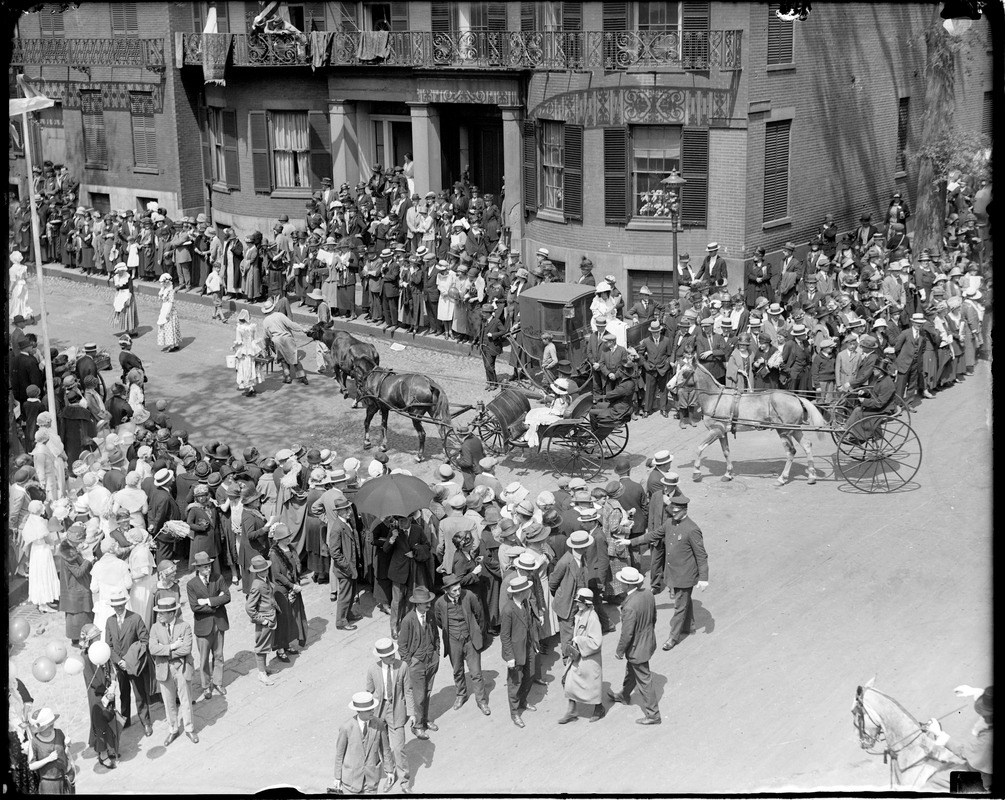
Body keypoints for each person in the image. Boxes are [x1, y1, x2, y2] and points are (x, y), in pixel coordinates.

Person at [607, 566, 660, 725]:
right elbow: (654, 618)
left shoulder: (629, 606)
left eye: (622, 582)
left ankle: (653, 715)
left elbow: (627, 633)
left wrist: (619, 651)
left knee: (644, 680)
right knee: (632, 670)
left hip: (637, 647)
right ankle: (624, 695)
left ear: (627, 585)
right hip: (648, 641)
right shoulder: (648, 594)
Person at [433, 573, 490, 716]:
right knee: (457, 671)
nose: (458, 592)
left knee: (476, 672)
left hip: (470, 639)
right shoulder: (440, 603)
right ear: (446, 591)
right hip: (453, 641)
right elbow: (439, 621)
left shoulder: (469, 595)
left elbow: (480, 615)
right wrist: (452, 634)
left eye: (459, 588)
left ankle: (481, 700)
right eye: (454, 590)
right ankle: (461, 695)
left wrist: (477, 634)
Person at [148, 596, 198, 746]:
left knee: (186, 700)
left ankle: (189, 728)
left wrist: (165, 652)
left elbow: (186, 649)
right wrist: (172, 646)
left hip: (182, 667)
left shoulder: (185, 626)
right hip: (164, 669)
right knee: (168, 702)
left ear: (171, 613)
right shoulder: (155, 627)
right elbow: (152, 649)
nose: (159, 616)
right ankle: (173, 729)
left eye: (162, 613)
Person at [104, 587, 154, 737]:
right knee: (123, 694)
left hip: (134, 665)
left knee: (140, 694)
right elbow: (108, 645)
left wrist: (130, 660)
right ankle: (125, 720)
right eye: (116, 605)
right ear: (112, 606)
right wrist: (119, 662)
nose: (119, 608)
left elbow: (145, 641)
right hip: (119, 666)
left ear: (125, 604)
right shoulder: (110, 621)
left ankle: (146, 722)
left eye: (121, 604)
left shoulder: (135, 618)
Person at [923, 685, 993, 791]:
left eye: (986, 714)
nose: (983, 716)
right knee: (947, 765)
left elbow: (963, 751)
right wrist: (974, 691)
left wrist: (939, 733)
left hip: (983, 778)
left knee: (935, 780)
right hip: (984, 768)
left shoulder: (988, 738)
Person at [186, 551, 230, 702]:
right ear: (197, 568)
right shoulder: (191, 584)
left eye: (209, 566)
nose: (208, 569)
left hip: (219, 622)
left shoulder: (218, 578)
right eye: (204, 567)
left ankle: (217, 682)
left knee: (219, 655)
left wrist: (208, 601)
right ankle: (206, 685)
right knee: (204, 658)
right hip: (203, 626)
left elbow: (227, 597)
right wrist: (217, 603)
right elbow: (194, 607)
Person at [397, 585, 439, 740]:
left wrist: (437, 653)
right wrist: (409, 663)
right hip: (417, 664)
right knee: (419, 696)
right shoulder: (408, 620)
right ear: (417, 604)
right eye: (425, 602)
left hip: (431, 660)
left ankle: (424, 720)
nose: (429, 604)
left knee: (427, 693)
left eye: (429, 601)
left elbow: (435, 635)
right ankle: (417, 726)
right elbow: (402, 646)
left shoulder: (430, 615)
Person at [332, 691, 395, 795]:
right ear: (359, 711)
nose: (372, 712)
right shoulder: (346, 728)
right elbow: (339, 754)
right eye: (368, 710)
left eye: (372, 708)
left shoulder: (379, 724)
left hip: (371, 782)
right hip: (350, 782)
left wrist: (389, 771)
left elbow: (385, 750)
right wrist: (337, 777)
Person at [78, 623, 121, 770]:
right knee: (100, 722)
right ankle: (102, 754)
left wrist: (113, 685)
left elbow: (110, 666)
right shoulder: (84, 657)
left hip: (109, 690)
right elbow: (92, 680)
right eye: (95, 637)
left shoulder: (102, 649)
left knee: (110, 718)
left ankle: (111, 748)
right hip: (98, 695)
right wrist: (106, 692)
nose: (98, 639)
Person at [559, 587, 606, 724]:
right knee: (568, 681)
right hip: (579, 657)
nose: (577, 604)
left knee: (592, 687)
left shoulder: (592, 618)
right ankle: (571, 710)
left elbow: (596, 642)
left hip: (589, 660)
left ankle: (599, 708)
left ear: (587, 603)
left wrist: (579, 640)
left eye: (580, 602)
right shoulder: (581, 614)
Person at [501, 574, 541, 728]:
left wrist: (534, 642)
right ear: (520, 592)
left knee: (530, 675)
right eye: (526, 590)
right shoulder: (508, 610)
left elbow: (529, 625)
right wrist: (509, 657)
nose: (528, 591)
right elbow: (504, 636)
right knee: (514, 683)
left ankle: (523, 701)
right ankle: (515, 712)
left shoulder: (524, 604)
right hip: (515, 652)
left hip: (528, 646)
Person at [55, 524, 95, 645]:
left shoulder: (68, 550)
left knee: (75, 615)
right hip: (76, 587)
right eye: (80, 541)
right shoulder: (69, 555)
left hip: (73, 587)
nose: (81, 543)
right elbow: (78, 573)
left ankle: (77, 638)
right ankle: (79, 638)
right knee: (80, 615)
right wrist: (88, 560)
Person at [23, 500, 60, 614]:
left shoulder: (30, 520)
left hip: (35, 551)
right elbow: (48, 539)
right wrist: (55, 543)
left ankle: (45, 600)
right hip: (42, 550)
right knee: (44, 574)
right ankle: (43, 603)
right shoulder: (40, 523)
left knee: (39, 575)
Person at [262, 298, 309, 386]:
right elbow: (291, 324)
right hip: (287, 338)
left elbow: (266, 336)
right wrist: (302, 329)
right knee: (294, 358)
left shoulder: (265, 321)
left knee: (282, 359)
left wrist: (265, 346)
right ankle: (302, 376)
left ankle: (287, 376)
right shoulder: (280, 315)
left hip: (277, 340)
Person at [28, 707, 74, 794]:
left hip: (64, 778)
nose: (53, 725)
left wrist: (68, 743)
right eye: (50, 724)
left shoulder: (59, 733)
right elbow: (31, 766)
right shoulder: (34, 742)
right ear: (43, 727)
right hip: (49, 784)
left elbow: (66, 750)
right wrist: (48, 759)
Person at [520, 377, 572, 449]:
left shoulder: (559, 400)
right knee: (535, 412)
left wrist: (547, 403)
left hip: (556, 416)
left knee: (535, 418)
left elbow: (555, 411)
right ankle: (527, 429)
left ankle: (528, 435)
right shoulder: (568, 398)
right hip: (559, 414)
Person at [156, 273, 181, 352]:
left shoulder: (170, 290)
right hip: (164, 307)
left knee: (170, 325)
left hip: (169, 309)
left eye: (163, 283)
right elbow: (162, 299)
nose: (162, 285)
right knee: (165, 324)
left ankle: (173, 344)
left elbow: (171, 302)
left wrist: (168, 313)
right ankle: (175, 343)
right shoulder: (164, 289)